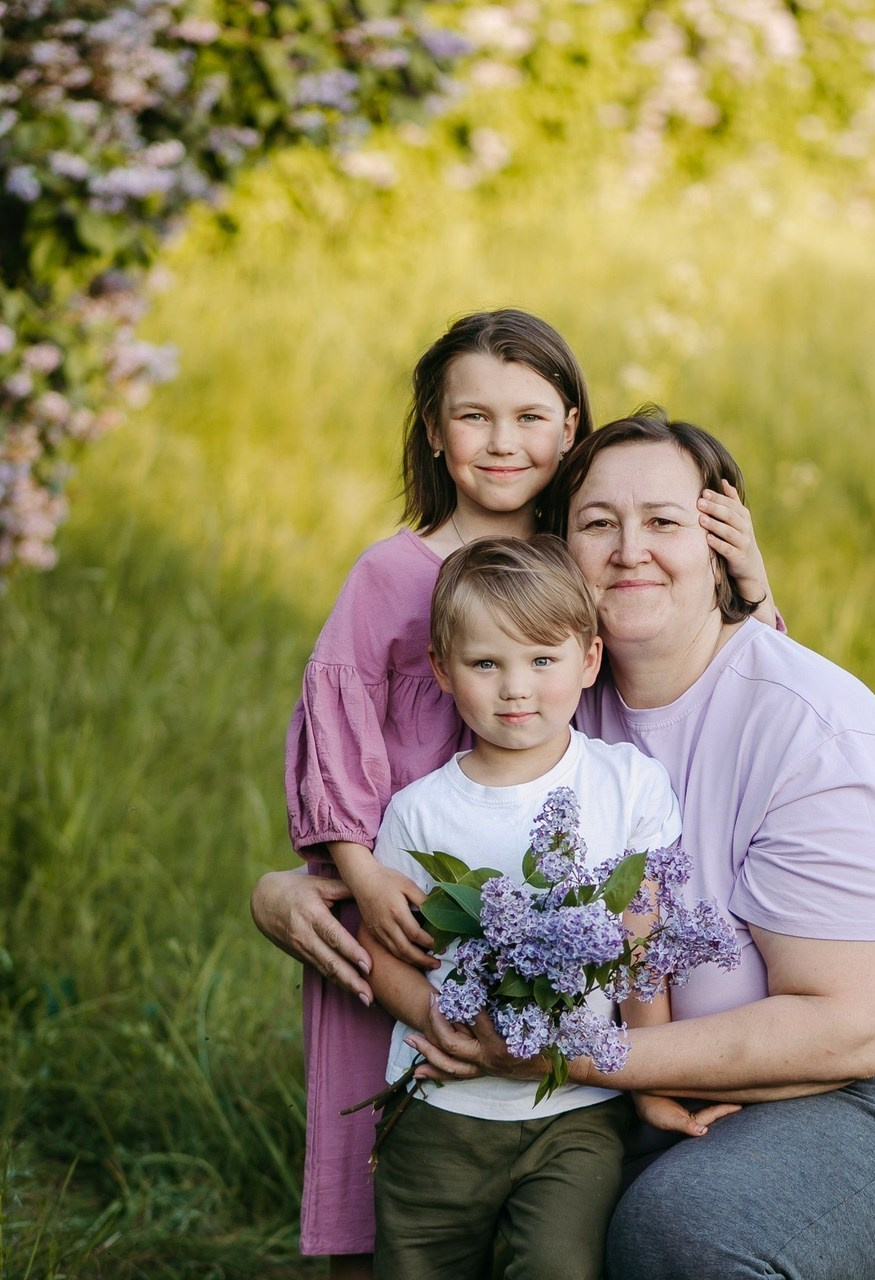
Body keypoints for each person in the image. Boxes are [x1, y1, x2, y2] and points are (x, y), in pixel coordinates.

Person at [395, 411, 875, 1280]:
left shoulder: (816, 734)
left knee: (684, 1231)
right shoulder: (552, 694)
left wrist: (561, 1055)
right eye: (598, 523)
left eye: (664, 521)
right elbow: (430, 816)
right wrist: (293, 889)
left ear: (719, 547)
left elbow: (848, 1030)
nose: (630, 551)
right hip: (661, 1072)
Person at [271, 311, 775, 1278]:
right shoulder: (390, 575)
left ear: (571, 426)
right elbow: (335, 735)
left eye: (531, 417)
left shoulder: (584, 553)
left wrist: (747, 584)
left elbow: (715, 673)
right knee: (393, 1176)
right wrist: (357, 874)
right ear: (433, 430)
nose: (504, 443)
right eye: (474, 417)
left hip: (563, 912)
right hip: (411, 903)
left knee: (555, 1199)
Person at [361, 534, 726, 1279]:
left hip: (577, 1111)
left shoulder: (627, 785)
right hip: (443, 1107)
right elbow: (384, 953)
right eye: (485, 664)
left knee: (561, 1267)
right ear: (442, 669)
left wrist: (648, 1082)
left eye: (541, 660)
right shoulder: (419, 813)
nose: (515, 689)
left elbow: (640, 956)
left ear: (589, 660)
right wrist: (438, 1019)